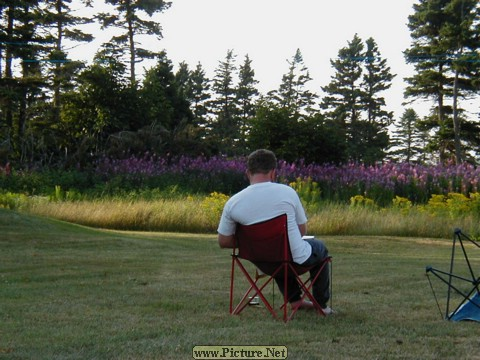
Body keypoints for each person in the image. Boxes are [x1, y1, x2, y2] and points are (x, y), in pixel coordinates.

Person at [217, 149, 333, 315]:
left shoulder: (233, 202)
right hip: (294, 260)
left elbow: (224, 241)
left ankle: (295, 301)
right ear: (273, 173)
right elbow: (302, 231)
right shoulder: (287, 193)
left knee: (278, 252)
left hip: (262, 261)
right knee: (319, 248)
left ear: (248, 173)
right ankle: (321, 305)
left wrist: (254, 241)